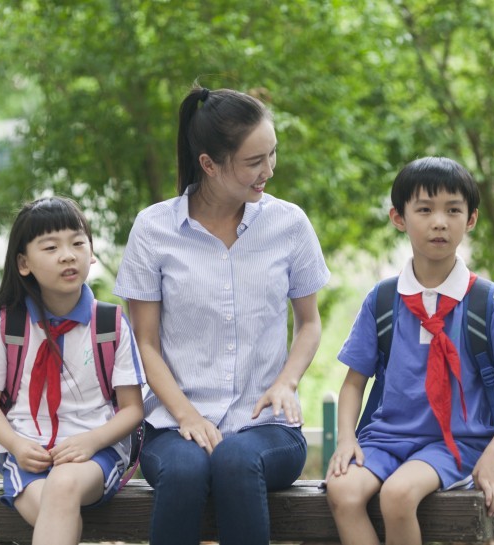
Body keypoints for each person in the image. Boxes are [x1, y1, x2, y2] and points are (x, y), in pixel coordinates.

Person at [113, 85, 330, 545]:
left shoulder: (289, 224)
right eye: (254, 162)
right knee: (188, 469)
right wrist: (187, 416)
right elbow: (144, 342)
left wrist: (285, 383)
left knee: (234, 459)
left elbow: (309, 323)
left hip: (267, 429)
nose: (269, 170)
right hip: (174, 425)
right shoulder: (154, 229)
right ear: (208, 164)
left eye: (272, 154)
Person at [324, 157, 494, 545]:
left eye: (453, 210)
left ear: (470, 219)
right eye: (424, 209)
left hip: (457, 442)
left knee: (398, 495)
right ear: (399, 218)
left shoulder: (484, 300)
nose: (439, 221)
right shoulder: (384, 299)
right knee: (342, 491)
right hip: (385, 438)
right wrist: (346, 439)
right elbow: (353, 383)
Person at [0, 196, 145, 545]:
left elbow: (133, 408)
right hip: (27, 457)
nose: (67, 254)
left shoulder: (110, 324)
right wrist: (15, 444)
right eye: (51, 246)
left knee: (61, 486)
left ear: (91, 253)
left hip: (96, 456)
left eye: (78, 243)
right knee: (58, 512)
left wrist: (91, 441)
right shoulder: (10, 326)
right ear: (24, 263)